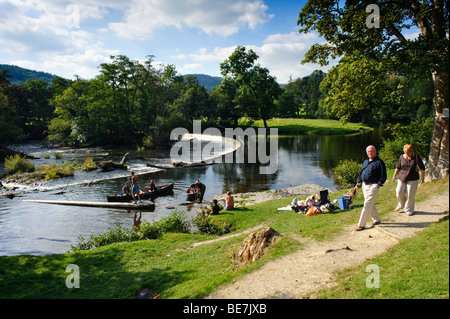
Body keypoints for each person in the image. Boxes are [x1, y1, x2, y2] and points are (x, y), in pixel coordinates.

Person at [355, 145, 387, 231]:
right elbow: (361, 172)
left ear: (375, 151)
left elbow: (383, 176)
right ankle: (376, 219)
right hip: (365, 185)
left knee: (367, 204)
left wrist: (378, 184)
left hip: (373, 185)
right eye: (368, 152)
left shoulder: (379, 162)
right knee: (370, 203)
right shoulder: (366, 161)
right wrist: (358, 183)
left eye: (372, 151)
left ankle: (361, 224)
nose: (370, 153)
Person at [392, 144, 425, 216]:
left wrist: (422, 178)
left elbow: (422, 168)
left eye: (408, 153)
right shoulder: (401, 157)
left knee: (410, 194)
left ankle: (409, 209)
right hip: (401, 178)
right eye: (406, 153)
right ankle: (401, 204)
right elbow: (398, 167)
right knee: (399, 191)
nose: (407, 154)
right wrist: (394, 176)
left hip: (413, 178)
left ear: (411, 151)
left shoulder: (416, 157)